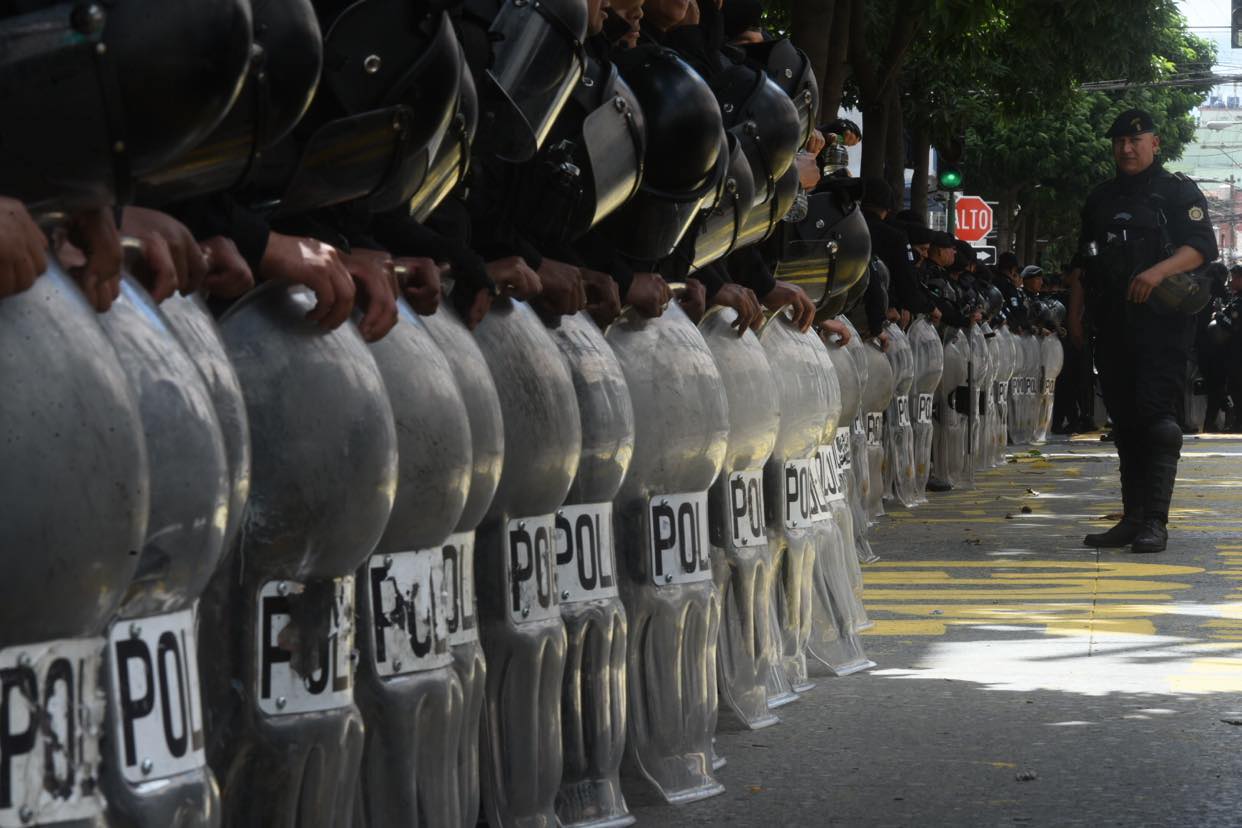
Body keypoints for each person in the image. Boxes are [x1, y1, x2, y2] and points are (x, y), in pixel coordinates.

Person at [1071, 108, 1219, 553]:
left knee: (1158, 420)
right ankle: (1132, 518)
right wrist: (1074, 313)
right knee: (1127, 421)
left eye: (1136, 141)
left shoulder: (1176, 193)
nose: (1127, 148)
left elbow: (1202, 248)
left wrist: (1156, 273)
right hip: (1112, 323)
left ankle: (1156, 520)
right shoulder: (1100, 199)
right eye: (1119, 142)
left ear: (1155, 144)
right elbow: (1082, 260)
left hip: (1162, 325)